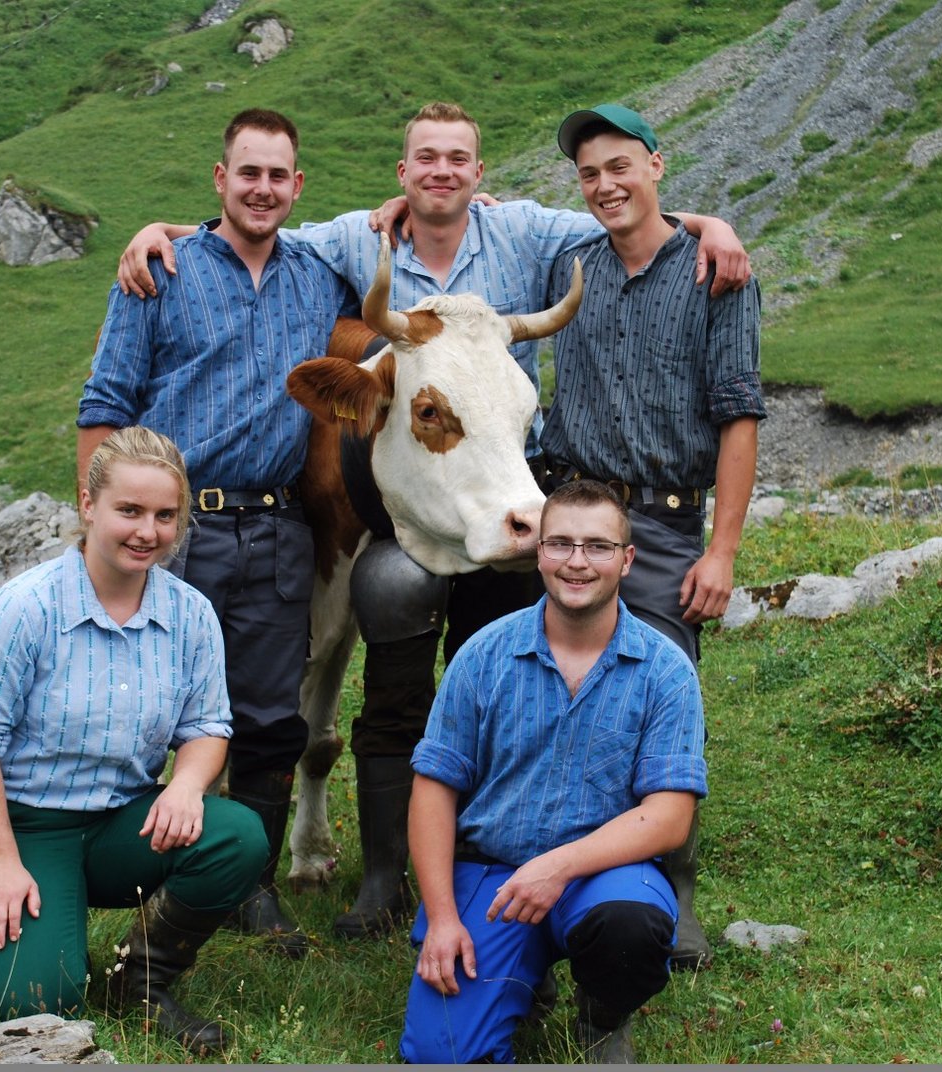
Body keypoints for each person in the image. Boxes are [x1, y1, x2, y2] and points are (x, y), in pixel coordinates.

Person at [113, 102, 749, 943]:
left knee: (518, 678)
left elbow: (628, 216)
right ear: (403, 173)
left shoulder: (526, 233)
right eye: (426, 159)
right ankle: (382, 875)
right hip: (409, 512)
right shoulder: (354, 240)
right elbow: (258, 229)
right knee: (388, 637)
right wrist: (165, 233)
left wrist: (709, 225)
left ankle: (531, 854)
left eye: (458, 158)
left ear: (480, 174)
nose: (442, 171)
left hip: (512, 503)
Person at [77, 109, 353, 958]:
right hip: (175, 527)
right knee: (149, 704)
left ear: (298, 186)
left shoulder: (320, 277)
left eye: (278, 176)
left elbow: (410, 247)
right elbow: (105, 405)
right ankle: (135, 863)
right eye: (248, 173)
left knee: (270, 716)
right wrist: (96, 523)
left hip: (277, 525)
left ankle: (250, 884)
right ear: (220, 179)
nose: (262, 189)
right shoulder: (161, 271)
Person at [0, 426, 265, 1053]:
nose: (148, 531)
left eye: (165, 516)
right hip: (24, 826)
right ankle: (32, 914)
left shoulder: (191, 614)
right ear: (89, 505)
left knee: (238, 836)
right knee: (31, 1007)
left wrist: (187, 785)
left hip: (125, 821)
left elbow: (207, 727)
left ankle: (141, 978)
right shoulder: (23, 609)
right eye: (130, 510)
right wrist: (2, 864)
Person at [541, 103, 766, 970]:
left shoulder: (717, 273)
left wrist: (723, 552)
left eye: (619, 166)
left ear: (656, 165)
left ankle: (675, 887)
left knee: (664, 695)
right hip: (573, 508)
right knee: (555, 686)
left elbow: (739, 416)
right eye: (589, 174)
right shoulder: (567, 265)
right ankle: (563, 868)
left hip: (667, 522)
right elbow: (462, 222)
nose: (605, 185)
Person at [399, 480, 706, 1063]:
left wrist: (558, 866)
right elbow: (434, 789)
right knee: (443, 1055)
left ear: (627, 559)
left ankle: (603, 1014)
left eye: (597, 546)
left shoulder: (666, 670)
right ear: (539, 552)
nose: (576, 562)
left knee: (630, 927)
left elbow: (669, 818)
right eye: (560, 543)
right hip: (493, 876)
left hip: (605, 874)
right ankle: (524, 972)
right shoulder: (481, 655)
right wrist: (441, 919)